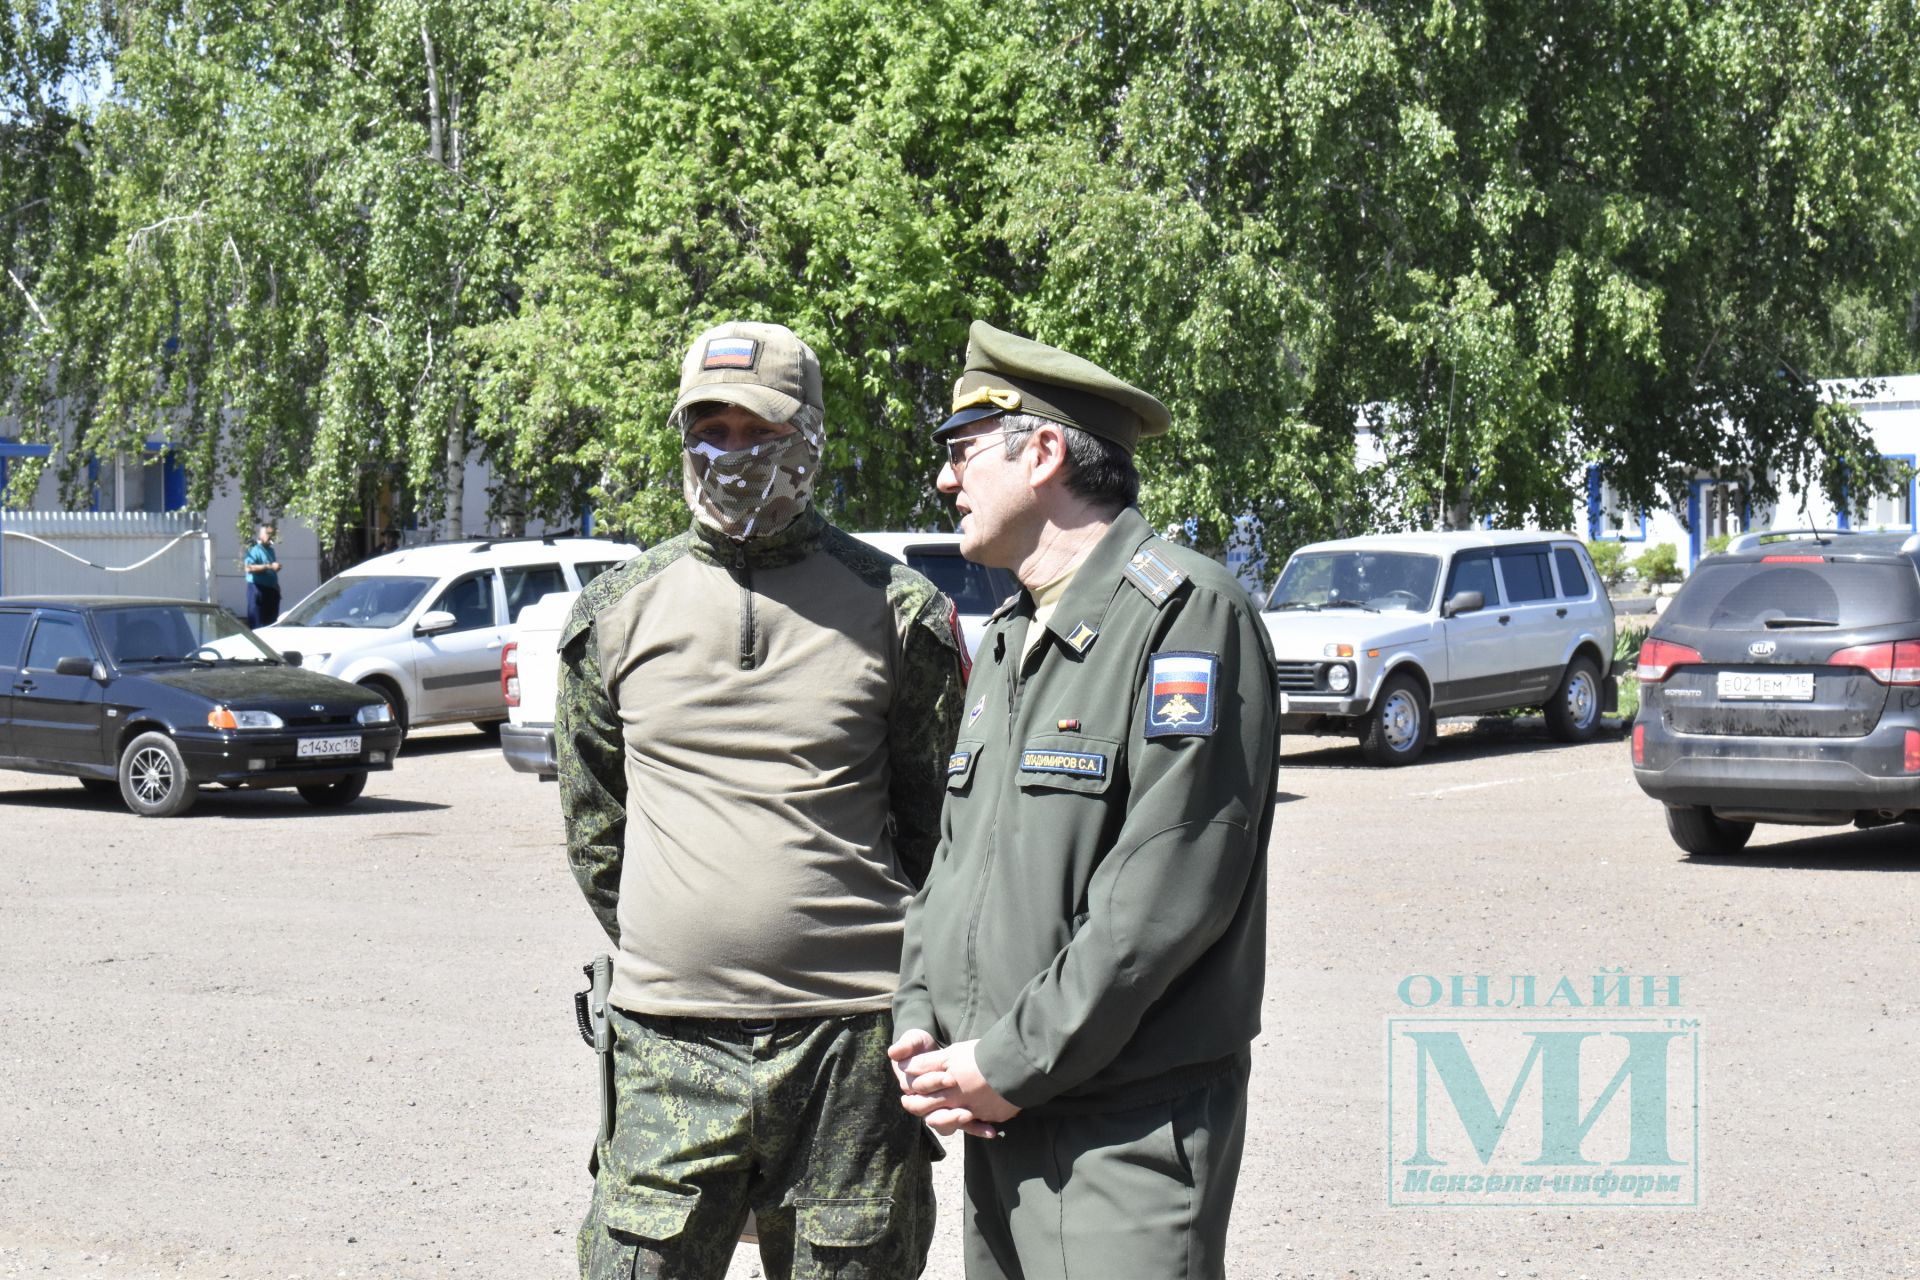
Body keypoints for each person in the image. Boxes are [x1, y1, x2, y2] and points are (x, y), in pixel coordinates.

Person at [557, 320, 968, 1280]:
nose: (731, 454)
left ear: (811, 437)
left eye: (759, 430)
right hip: (668, 1041)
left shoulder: (896, 613)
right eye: (710, 425)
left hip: (853, 1051)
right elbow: (595, 827)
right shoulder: (616, 613)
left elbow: (934, 829)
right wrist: (690, 932)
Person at [889, 321, 1281, 1280]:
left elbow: (1162, 897)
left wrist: (1008, 1062)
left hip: (1123, 1137)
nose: (947, 481)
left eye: (964, 452)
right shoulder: (1014, 633)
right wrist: (920, 1014)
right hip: (998, 1119)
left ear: (1047, 451)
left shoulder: (1188, 615)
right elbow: (957, 862)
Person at [243, 523, 281, 627]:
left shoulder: (270, 551)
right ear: (261, 535)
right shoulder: (255, 549)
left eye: (273, 534)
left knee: (271, 624)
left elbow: (271, 570)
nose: (272, 537)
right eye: (269, 534)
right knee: (258, 625)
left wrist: (276, 586)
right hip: (258, 590)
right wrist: (269, 566)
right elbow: (248, 568)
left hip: (271, 591)